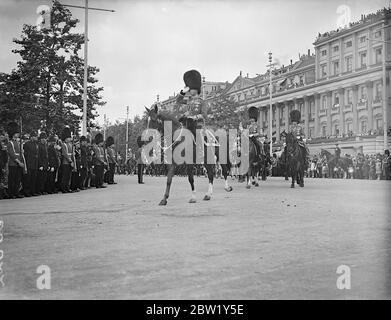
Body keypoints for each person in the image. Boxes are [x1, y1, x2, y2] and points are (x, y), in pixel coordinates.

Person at [6, 122, 25, 198]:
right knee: (12, 179)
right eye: (17, 133)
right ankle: (11, 193)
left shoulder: (18, 142)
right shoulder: (10, 143)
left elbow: (20, 153)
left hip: (19, 163)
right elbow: (12, 154)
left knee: (17, 179)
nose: (18, 134)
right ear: (14, 134)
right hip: (13, 163)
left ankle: (16, 192)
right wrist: (19, 162)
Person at [23, 130, 39, 196]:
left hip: (35, 163)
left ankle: (33, 191)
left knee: (33, 178)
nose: (36, 138)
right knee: (28, 179)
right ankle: (27, 192)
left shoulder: (36, 144)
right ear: (32, 137)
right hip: (29, 163)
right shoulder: (27, 144)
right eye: (35, 137)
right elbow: (25, 153)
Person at [60, 126, 74, 193]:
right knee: (65, 176)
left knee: (69, 176)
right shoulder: (63, 144)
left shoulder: (70, 144)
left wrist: (72, 161)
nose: (70, 138)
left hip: (70, 162)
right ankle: (64, 188)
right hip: (66, 162)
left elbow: (72, 154)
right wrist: (70, 160)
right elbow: (64, 154)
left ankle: (68, 187)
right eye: (69, 137)